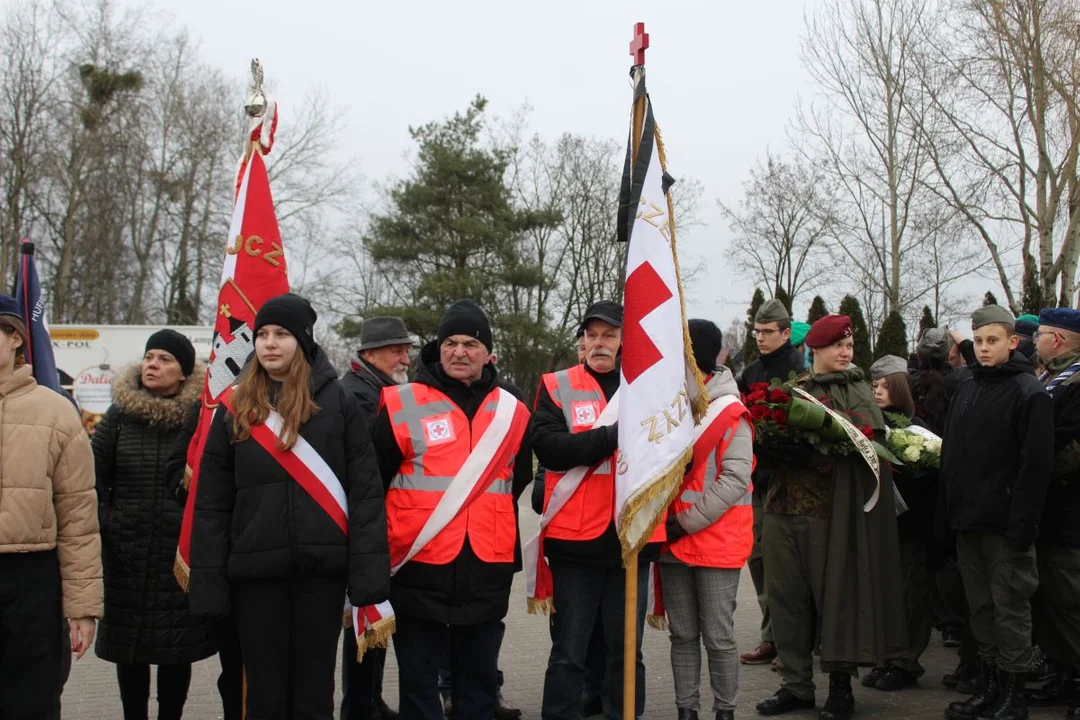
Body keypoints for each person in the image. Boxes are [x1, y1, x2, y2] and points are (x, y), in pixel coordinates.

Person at [189, 293, 390, 720]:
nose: (269, 343)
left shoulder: (339, 403)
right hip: (255, 577)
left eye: (281, 334)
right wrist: (208, 582)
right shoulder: (235, 407)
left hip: (322, 575)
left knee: (313, 696)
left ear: (303, 340)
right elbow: (211, 504)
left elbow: (366, 493)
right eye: (262, 334)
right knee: (265, 696)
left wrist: (368, 576)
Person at [368, 299, 532, 720]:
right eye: (450, 342)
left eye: (471, 344)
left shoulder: (513, 411)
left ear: (488, 353)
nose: (459, 352)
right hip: (417, 562)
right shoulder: (399, 403)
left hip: (486, 563)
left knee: (478, 688)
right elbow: (375, 481)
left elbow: (520, 476)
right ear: (437, 348)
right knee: (419, 686)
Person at [756, 314, 905, 720]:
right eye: (837, 346)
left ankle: (841, 688)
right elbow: (766, 434)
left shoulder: (857, 390)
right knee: (786, 601)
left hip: (830, 514)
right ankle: (796, 685)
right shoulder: (793, 390)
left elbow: (869, 444)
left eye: (850, 345)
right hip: (781, 508)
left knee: (836, 599)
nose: (845, 352)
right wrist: (772, 449)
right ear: (814, 350)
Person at [534, 300, 664, 720]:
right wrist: (611, 436)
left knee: (627, 652)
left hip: (632, 539)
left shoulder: (649, 389)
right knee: (569, 651)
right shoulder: (557, 385)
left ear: (626, 340)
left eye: (608, 335)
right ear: (582, 340)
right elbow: (550, 449)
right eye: (591, 335)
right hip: (576, 542)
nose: (599, 343)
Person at [93, 330, 217, 720]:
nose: (152, 364)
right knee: (128, 649)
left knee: (174, 648)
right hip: (125, 554)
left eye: (164, 359)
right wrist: (108, 522)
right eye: (149, 357)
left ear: (183, 373)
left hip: (177, 555)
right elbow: (94, 479)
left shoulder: (199, 417)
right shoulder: (118, 417)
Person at [939, 304, 1053, 720]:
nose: (984, 349)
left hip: (1006, 526)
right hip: (968, 521)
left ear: (1012, 341)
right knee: (981, 610)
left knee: (1010, 610)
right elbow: (952, 455)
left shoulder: (1028, 391)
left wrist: (1021, 528)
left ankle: (1013, 695)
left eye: (993, 341)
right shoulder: (967, 386)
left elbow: (1035, 467)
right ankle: (989, 688)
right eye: (979, 340)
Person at [0, 296, 102, 719]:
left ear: (15, 339)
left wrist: (82, 607)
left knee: (32, 703)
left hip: (30, 586)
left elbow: (78, 518)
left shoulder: (56, 412)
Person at [661, 319, 753, 720]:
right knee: (682, 635)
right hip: (671, 540)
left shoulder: (730, 412)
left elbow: (735, 479)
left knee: (718, 637)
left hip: (715, 540)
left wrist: (685, 522)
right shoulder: (669, 406)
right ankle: (687, 710)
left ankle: (725, 711)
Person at [339, 316, 417, 720]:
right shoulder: (358, 394)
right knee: (363, 618)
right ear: (370, 354)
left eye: (406, 349)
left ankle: (370, 700)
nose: (405, 356)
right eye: (395, 349)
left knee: (376, 617)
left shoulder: (381, 388)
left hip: (378, 522)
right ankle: (359, 705)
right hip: (364, 525)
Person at [862, 355, 937, 693]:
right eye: (873, 385)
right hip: (883, 527)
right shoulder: (872, 426)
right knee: (886, 595)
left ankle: (907, 661)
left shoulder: (916, 429)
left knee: (910, 596)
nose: (877, 391)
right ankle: (888, 658)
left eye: (884, 385)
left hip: (913, 529)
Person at [737, 299, 805, 669]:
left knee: (790, 564)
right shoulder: (751, 372)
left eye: (768, 332)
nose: (761, 338)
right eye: (757, 332)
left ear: (785, 331)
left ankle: (796, 640)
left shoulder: (800, 370)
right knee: (760, 558)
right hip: (758, 479)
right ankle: (772, 636)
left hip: (793, 479)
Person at [165, 405, 244, 720]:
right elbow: (178, 476)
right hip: (227, 556)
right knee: (236, 670)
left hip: (279, 557)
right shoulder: (212, 406)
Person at [911, 328, 976, 692]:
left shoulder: (913, 384)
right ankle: (956, 632)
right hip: (949, 486)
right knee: (954, 571)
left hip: (920, 487)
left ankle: (940, 624)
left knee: (925, 570)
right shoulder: (961, 384)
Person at [1027, 308, 1080, 714]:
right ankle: (1063, 672)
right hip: (1046, 511)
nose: (1035, 341)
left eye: (1040, 334)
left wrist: (1032, 468)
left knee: (1069, 598)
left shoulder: (1075, 382)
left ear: (1057, 339)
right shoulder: (1049, 379)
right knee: (1048, 599)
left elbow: (1068, 445)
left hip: (1068, 510)